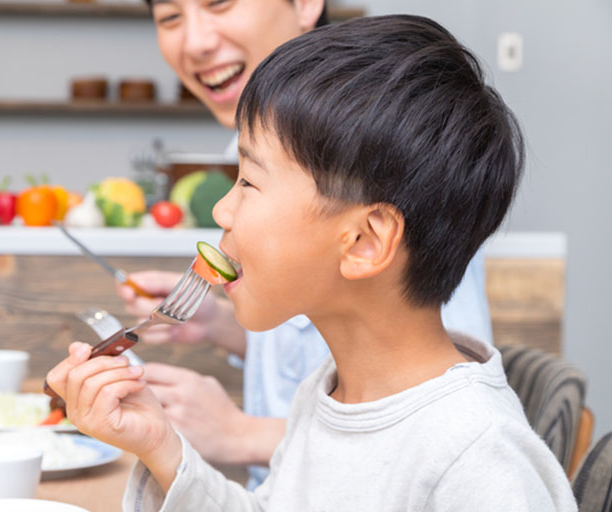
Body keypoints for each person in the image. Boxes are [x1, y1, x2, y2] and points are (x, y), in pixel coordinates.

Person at [48, 15, 577, 511]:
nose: (221, 208)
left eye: (250, 182)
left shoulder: (481, 460)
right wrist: (162, 445)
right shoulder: (327, 392)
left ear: (364, 242)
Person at [122, 0, 493, 490]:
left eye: (219, 3)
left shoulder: (397, 164)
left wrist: (238, 432)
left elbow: (421, 404)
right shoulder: (322, 393)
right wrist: (221, 325)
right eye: (170, 17)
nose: (194, 41)